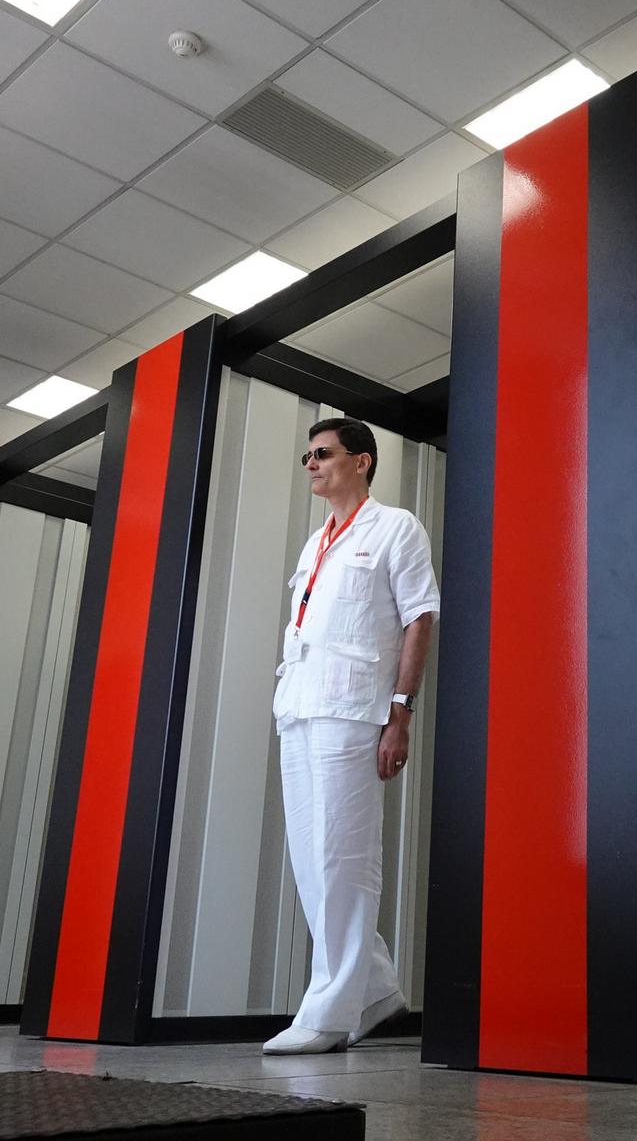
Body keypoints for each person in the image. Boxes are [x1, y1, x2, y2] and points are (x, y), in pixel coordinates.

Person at [263, 416, 439, 1055]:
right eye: (307, 456)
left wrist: (401, 713)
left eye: (323, 453)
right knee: (312, 862)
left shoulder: (396, 527)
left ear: (361, 461)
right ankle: (374, 988)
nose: (311, 464)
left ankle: (330, 1012)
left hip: (354, 710)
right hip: (298, 705)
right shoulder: (316, 542)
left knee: (344, 858)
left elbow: (420, 617)